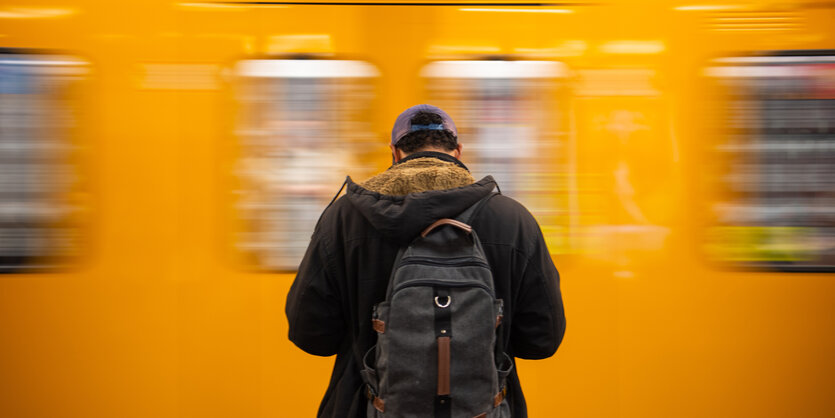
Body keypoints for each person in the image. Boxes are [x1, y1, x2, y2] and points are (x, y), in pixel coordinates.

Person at [286, 104, 566, 417]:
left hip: (368, 407)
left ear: (394, 153)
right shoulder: (513, 220)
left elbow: (310, 334)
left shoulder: (344, 218)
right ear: (458, 152)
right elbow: (542, 340)